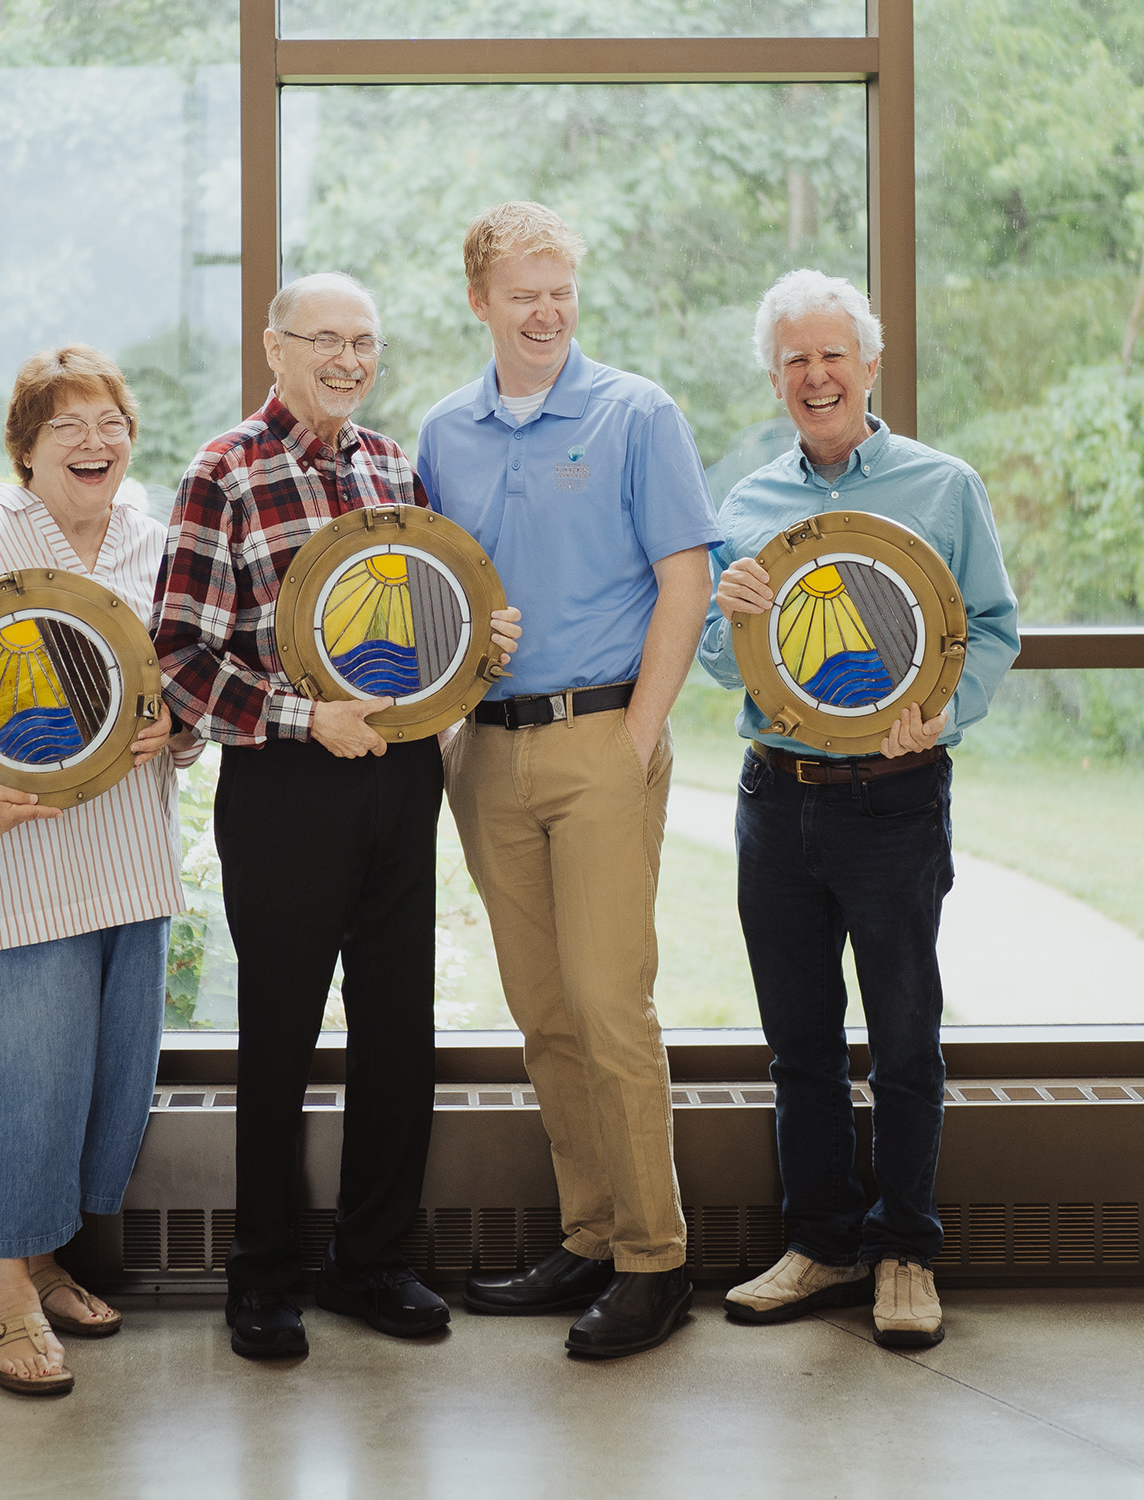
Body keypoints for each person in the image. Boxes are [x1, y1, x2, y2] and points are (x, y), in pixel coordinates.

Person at [151, 272, 521, 1360]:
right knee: (279, 1037)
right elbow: (180, 660)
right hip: (285, 786)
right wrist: (308, 718)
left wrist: (479, 646)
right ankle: (262, 1278)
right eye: (327, 340)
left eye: (365, 342)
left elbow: (421, 625)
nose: (350, 360)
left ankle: (373, 1263)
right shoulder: (223, 472)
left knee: (400, 1033)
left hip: (401, 780)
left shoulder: (395, 469)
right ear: (276, 347)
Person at [416, 202, 723, 1359]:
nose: (547, 313)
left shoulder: (637, 413)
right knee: (543, 1013)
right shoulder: (444, 432)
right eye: (523, 295)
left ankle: (656, 1260)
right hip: (486, 751)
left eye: (562, 291)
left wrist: (638, 737)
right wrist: (447, 732)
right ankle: (590, 1237)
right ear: (479, 302)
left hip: (602, 739)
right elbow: (431, 591)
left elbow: (686, 581)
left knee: (608, 1005)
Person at [698, 269, 1019, 1348]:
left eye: (833, 354)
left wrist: (944, 713)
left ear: (871, 366)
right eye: (794, 359)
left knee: (904, 1038)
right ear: (774, 379)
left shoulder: (943, 487)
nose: (816, 375)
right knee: (798, 1043)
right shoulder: (747, 505)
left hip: (895, 800)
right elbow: (721, 659)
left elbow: (993, 629)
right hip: (773, 799)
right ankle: (822, 1242)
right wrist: (727, 610)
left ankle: (906, 1252)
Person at [0, 345, 200, 1395]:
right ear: (25, 451)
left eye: (110, 424)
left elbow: (177, 687)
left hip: (123, 865)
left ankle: (48, 1263)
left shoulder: (156, 545)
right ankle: (6, 1300)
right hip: (3, 869)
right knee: (17, 1084)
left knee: (93, 1086)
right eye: (67, 427)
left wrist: (176, 730)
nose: (94, 443)